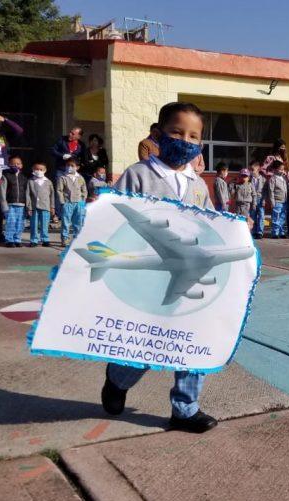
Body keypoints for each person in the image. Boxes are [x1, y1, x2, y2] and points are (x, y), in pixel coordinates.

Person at [105, 102, 219, 433]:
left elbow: (211, 223)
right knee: (146, 344)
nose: (185, 140)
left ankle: (185, 409)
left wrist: (235, 226)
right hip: (149, 277)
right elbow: (115, 221)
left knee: (192, 341)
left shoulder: (197, 183)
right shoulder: (138, 175)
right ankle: (118, 379)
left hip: (190, 275)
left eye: (194, 136)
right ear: (158, 134)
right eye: (177, 132)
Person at [57, 157, 88, 246]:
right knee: (66, 222)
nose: (69, 167)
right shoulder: (63, 177)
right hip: (67, 203)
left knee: (78, 222)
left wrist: (83, 200)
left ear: (77, 167)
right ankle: (64, 239)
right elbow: (59, 190)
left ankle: (77, 238)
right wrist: (62, 202)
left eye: (72, 165)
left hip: (79, 203)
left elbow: (84, 190)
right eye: (68, 165)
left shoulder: (80, 178)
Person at [0, 155, 29, 247]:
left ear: (22, 165)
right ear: (9, 165)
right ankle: (9, 240)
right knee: (10, 223)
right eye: (13, 164)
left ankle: (17, 239)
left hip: (22, 204)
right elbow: (2, 191)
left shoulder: (24, 177)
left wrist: (27, 205)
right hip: (10, 204)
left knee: (21, 223)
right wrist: (4, 204)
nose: (16, 165)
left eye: (18, 163)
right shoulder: (6, 176)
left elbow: (27, 192)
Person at [26, 163, 54, 247]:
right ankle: (34, 240)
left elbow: (52, 195)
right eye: (36, 169)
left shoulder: (48, 182)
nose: (39, 171)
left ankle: (45, 239)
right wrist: (29, 207)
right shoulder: (30, 181)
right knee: (34, 224)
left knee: (44, 224)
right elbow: (28, 194)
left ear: (45, 171)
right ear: (33, 170)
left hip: (45, 207)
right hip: (34, 207)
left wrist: (52, 206)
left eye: (41, 169)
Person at [264, 160, 288, 239]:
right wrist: (272, 202)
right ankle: (275, 233)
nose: (282, 171)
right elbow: (271, 191)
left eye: (283, 169)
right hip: (277, 201)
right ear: (275, 169)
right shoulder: (273, 179)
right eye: (280, 169)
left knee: (282, 217)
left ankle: (281, 232)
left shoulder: (284, 178)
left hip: (284, 201)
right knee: (276, 217)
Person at [249, 161, 266, 239]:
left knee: (261, 216)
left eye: (253, 169)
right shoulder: (249, 179)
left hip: (260, 198)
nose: (251, 171)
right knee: (253, 216)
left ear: (258, 169)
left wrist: (264, 200)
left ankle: (260, 232)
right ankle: (253, 232)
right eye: (250, 170)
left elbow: (265, 191)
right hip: (252, 199)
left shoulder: (263, 179)